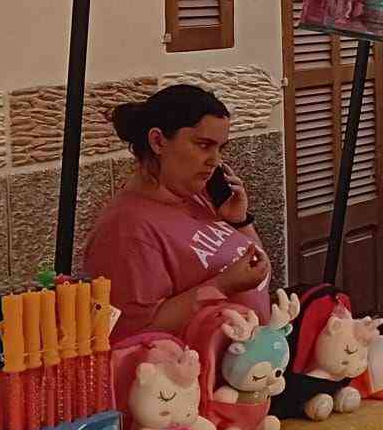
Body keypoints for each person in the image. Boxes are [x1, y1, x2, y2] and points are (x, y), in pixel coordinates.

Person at [84, 84, 272, 335]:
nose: (215, 161)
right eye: (203, 145)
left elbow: (256, 262)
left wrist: (240, 221)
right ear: (158, 141)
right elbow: (137, 332)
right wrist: (222, 286)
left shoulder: (197, 196)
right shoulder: (126, 230)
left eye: (220, 148)